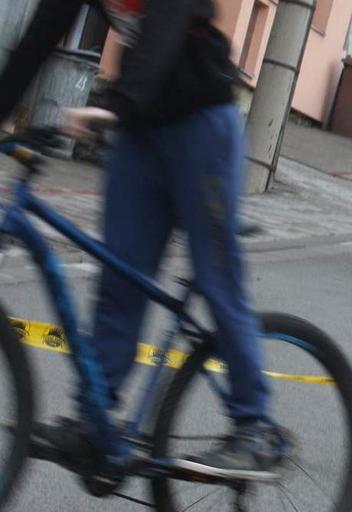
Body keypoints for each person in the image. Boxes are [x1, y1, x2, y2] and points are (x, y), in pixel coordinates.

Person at [0, 0, 280, 479]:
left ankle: (255, 427)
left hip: (202, 126)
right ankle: (95, 418)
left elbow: (168, 21)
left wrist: (114, 104)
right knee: (119, 278)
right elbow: (40, 37)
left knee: (217, 281)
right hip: (138, 135)